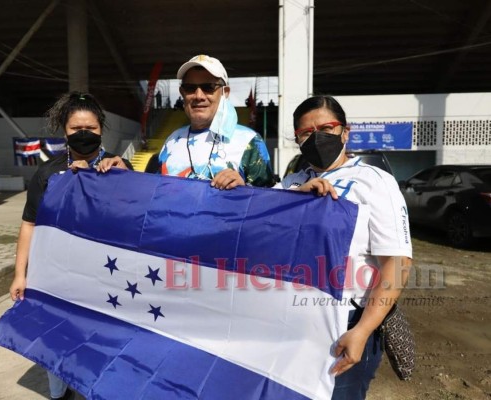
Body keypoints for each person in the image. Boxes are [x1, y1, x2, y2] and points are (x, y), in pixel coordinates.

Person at [278, 95, 413, 399]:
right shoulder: (290, 183)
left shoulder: (374, 181)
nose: (316, 138)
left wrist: (363, 331)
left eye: (326, 127)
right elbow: (256, 223)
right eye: (305, 133)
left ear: (345, 132)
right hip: (291, 319)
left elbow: (397, 262)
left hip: (346, 323)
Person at [9, 91, 132, 400]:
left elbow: (137, 218)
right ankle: (60, 391)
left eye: (90, 128)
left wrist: (125, 179)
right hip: (58, 276)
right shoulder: (49, 173)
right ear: (64, 131)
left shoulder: (118, 167)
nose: (83, 135)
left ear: (101, 129)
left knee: (101, 336)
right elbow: (29, 223)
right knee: (58, 336)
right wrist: (20, 274)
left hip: (105, 276)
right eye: (76, 129)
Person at [159, 54, 275, 189]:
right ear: (182, 92)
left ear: (225, 92)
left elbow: (268, 200)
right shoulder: (171, 141)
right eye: (190, 88)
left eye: (208, 87)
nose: (198, 96)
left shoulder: (249, 140)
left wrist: (243, 188)